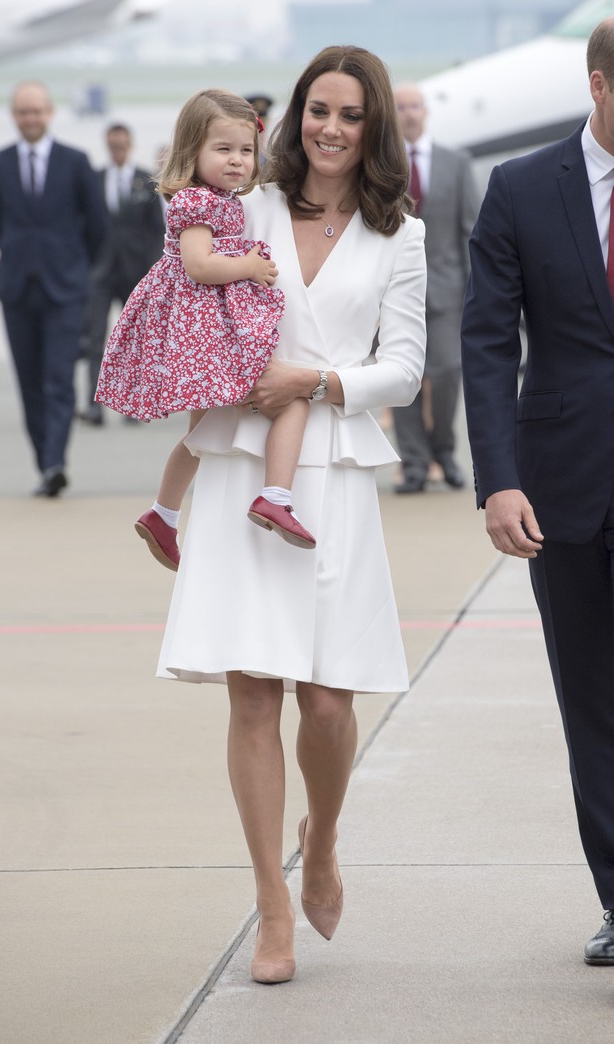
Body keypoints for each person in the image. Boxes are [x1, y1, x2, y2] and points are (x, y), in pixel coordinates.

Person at [155, 47, 426, 983]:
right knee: (255, 691)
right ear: (295, 116)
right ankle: (272, 901)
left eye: (350, 115)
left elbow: (404, 368)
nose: (331, 130)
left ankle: (327, 836)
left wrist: (311, 378)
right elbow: (185, 297)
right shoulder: (246, 208)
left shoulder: (401, 234)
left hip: (333, 470)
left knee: (327, 699)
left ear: (373, 125)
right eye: (318, 110)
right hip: (241, 465)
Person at [462, 15, 614, 966]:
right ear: (600, 85)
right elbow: (485, 344)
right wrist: (498, 481)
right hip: (564, 490)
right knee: (593, 702)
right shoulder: (519, 189)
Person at [95, 90, 315, 561]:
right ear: (192, 149)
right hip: (206, 334)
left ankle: (164, 514)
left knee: (202, 432)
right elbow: (199, 266)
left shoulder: (219, 198)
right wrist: (250, 267)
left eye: (245, 151)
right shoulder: (196, 201)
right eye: (223, 149)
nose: (237, 161)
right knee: (293, 399)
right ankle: (275, 496)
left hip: (208, 328)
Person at [0, 80, 106, 496]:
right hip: (16, 287)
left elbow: (98, 225)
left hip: (65, 288)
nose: (30, 119)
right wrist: (23, 255)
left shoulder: (75, 161)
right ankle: (45, 464)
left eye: (36, 111)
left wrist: (73, 265)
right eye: (22, 112)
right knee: (29, 380)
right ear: (14, 116)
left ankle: (56, 461)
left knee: (57, 378)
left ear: (49, 113)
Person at [392, 82, 479, 493]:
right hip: (391, 289)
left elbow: (469, 231)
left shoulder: (456, 162)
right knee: (399, 376)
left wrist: (475, 290)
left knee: (447, 372)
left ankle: (444, 450)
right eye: (401, 107)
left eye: (415, 106)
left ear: (425, 111)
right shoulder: (382, 163)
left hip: (446, 288)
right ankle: (414, 463)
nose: (409, 113)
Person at [79, 123, 165, 426]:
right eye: (112, 144)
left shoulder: (146, 181)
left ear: (129, 145)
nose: (117, 149)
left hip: (135, 273)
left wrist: (153, 273)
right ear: (107, 144)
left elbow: (158, 231)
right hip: (101, 272)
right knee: (95, 340)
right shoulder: (93, 180)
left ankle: (131, 405)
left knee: (133, 342)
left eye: (122, 144)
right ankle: (94, 407)